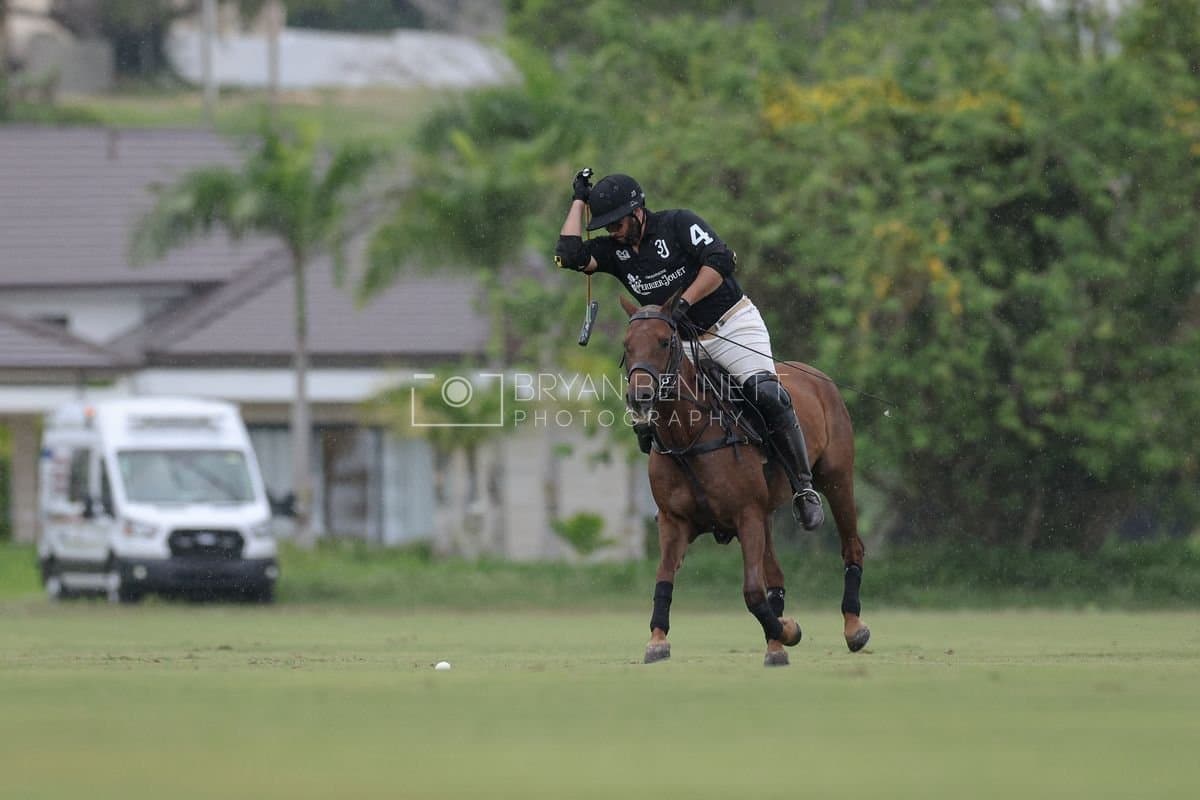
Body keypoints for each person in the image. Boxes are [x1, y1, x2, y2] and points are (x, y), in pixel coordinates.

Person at [554, 170, 824, 530]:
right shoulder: (615, 250)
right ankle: (680, 497)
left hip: (731, 324)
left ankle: (803, 488)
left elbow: (721, 261)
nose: (611, 232)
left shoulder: (677, 224)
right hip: (679, 343)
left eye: (616, 224)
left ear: (636, 213)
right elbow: (568, 254)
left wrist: (685, 300)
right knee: (645, 409)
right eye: (605, 227)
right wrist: (578, 200)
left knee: (768, 394)